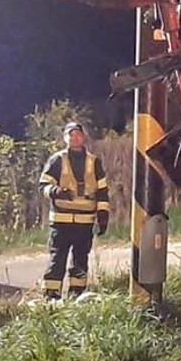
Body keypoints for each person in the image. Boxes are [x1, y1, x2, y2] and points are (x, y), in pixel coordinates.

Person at [38, 122, 110, 300]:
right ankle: (51, 296)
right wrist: (55, 191)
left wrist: (103, 215)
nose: (75, 137)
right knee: (57, 259)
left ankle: (76, 296)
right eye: (71, 134)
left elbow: (102, 191)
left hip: (85, 222)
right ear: (65, 138)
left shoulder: (94, 162)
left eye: (78, 134)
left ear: (83, 137)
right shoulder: (57, 160)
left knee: (80, 260)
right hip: (61, 221)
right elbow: (43, 185)